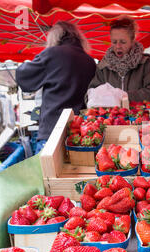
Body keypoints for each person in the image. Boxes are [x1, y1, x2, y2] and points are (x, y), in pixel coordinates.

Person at [15, 21, 96, 154]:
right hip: (79, 131)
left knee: (47, 174)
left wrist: (43, 56)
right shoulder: (89, 61)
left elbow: (24, 77)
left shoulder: (52, 54)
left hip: (51, 131)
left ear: (56, 36)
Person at [88, 16, 150, 103]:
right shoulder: (103, 66)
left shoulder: (146, 62)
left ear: (132, 40)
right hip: (111, 116)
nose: (118, 46)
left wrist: (125, 96)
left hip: (139, 115)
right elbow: (90, 95)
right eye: (114, 42)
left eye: (123, 42)